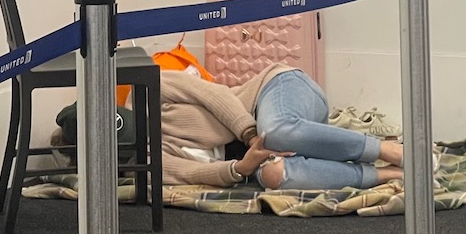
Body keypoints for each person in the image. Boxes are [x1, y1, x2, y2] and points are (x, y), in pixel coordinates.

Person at [159, 63, 404, 191]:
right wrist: (241, 168)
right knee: (274, 176)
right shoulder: (141, 161)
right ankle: (381, 174)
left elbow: (214, 95)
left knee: (277, 131)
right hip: (262, 153)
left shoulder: (150, 88)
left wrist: (251, 136)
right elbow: (190, 174)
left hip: (274, 91)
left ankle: (384, 149)